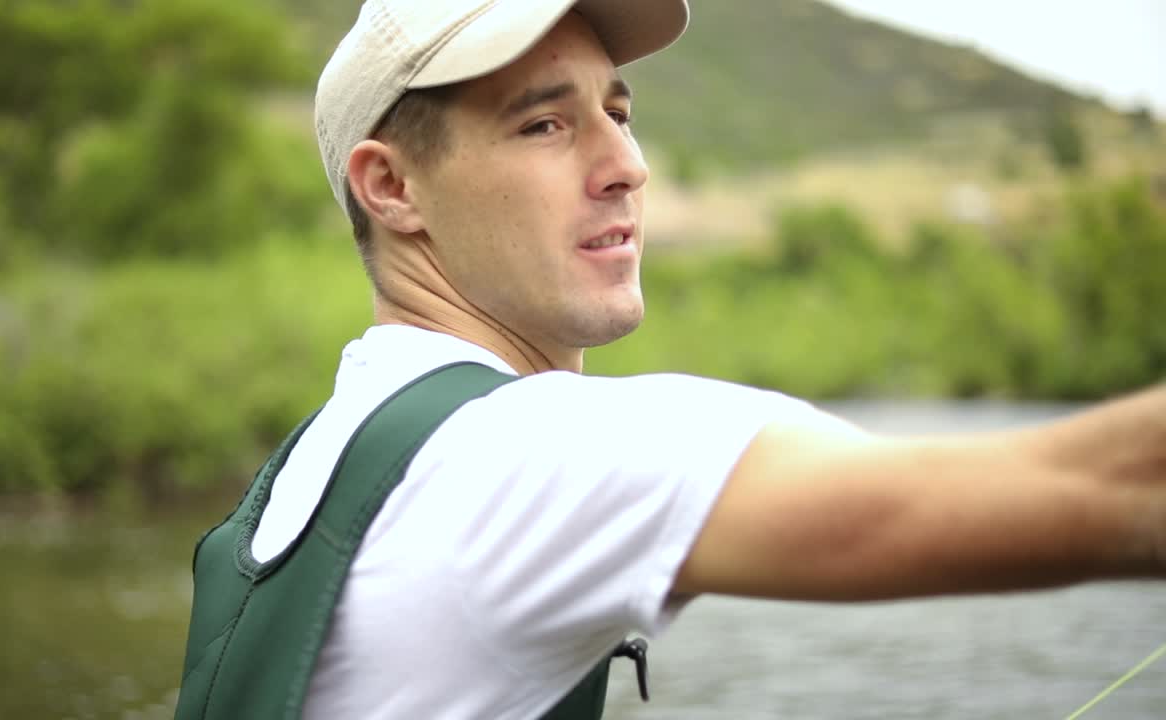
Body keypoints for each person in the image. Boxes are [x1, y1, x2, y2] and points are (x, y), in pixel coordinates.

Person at [174, 1, 1166, 718]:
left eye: (618, 110)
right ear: (390, 187)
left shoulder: (321, 454)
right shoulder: (529, 456)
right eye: (543, 123)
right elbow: (1105, 487)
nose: (626, 165)